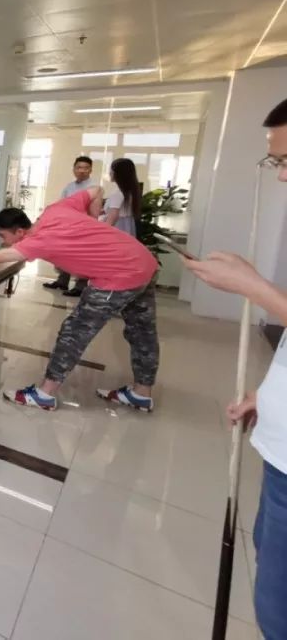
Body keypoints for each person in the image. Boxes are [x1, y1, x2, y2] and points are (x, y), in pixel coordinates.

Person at [185, 98, 287, 640]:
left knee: (278, 613)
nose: (281, 176)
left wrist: (255, 289)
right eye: (276, 162)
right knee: (268, 571)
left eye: (286, 161)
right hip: (278, 447)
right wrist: (267, 396)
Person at [0, 185, 159, 412]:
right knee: (142, 332)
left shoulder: (38, 242)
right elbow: (97, 190)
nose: (2, 241)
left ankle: (45, 394)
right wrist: (94, 221)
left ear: (20, 232)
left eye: (3, 236)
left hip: (118, 277)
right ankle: (142, 393)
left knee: (74, 333)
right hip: (144, 261)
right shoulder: (56, 210)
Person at [43, 155, 94, 296]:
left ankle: (81, 286)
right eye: (79, 167)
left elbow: (93, 210)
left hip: (84, 227)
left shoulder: (93, 187)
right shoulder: (70, 186)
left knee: (81, 257)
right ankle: (62, 281)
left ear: (90, 170)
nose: (82, 170)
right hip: (68, 225)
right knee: (64, 253)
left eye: (85, 168)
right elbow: (63, 204)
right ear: (74, 169)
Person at [103, 157, 140, 237]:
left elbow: (113, 216)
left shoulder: (118, 193)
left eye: (111, 170)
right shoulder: (130, 191)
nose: (110, 173)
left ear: (118, 173)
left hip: (117, 227)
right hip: (127, 226)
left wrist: (103, 232)